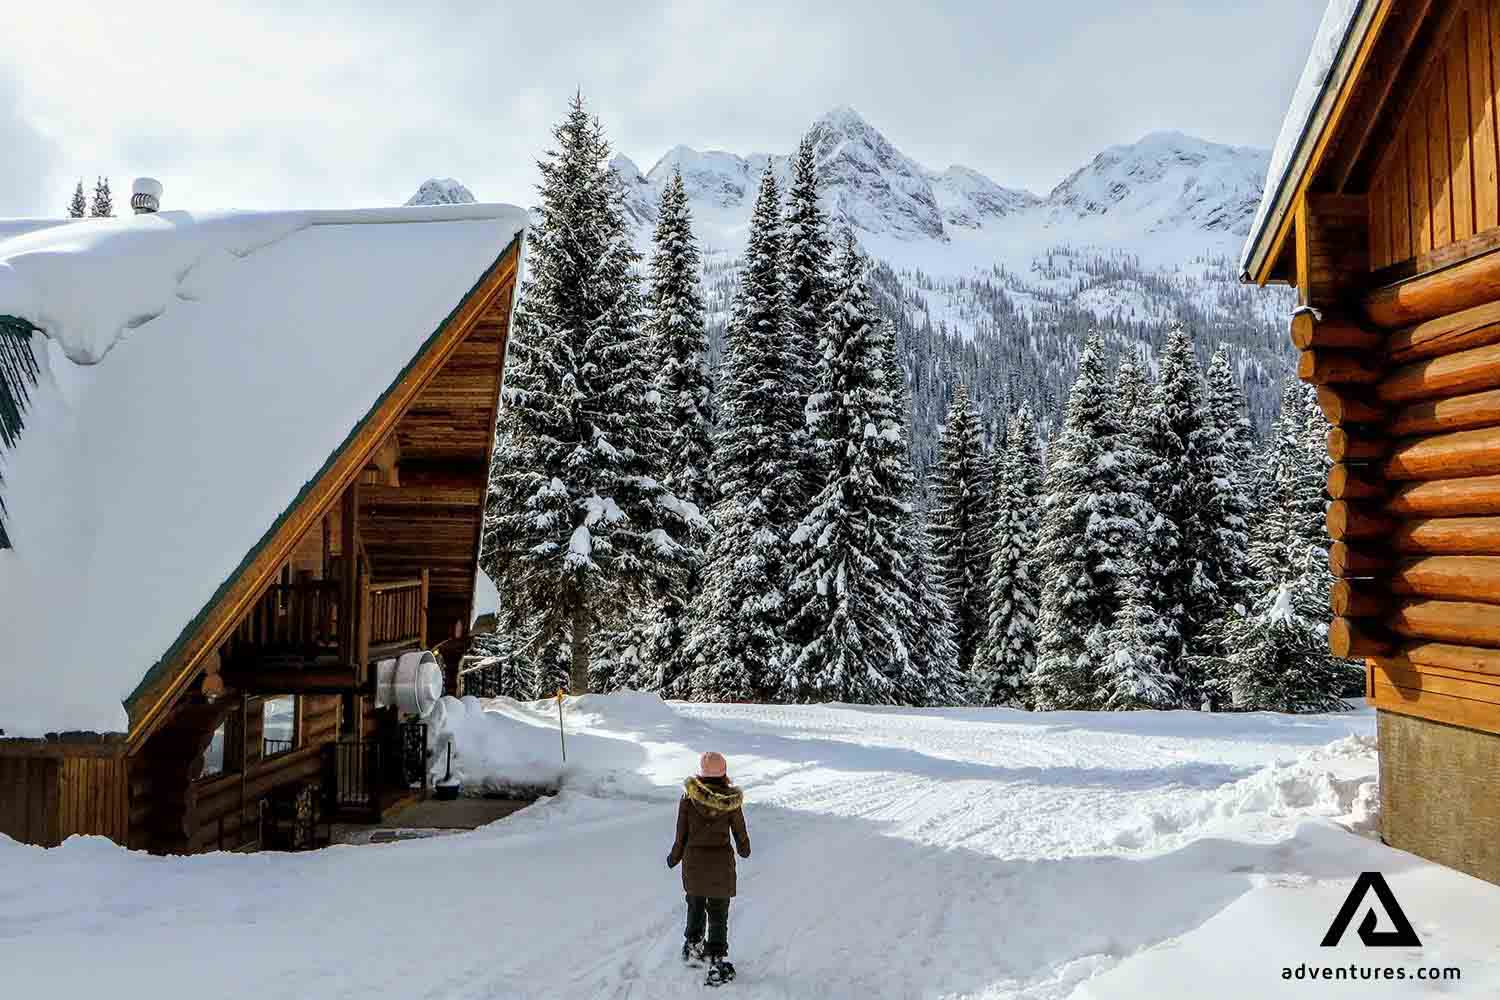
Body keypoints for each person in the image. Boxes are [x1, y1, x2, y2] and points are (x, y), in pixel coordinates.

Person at [668, 751, 751, 985]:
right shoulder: (730, 802)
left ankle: (693, 947)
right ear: (724, 773)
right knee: (718, 913)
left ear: (701, 774)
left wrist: (674, 857)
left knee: (695, 905)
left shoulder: (688, 799)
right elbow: (740, 832)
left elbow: (681, 834)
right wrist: (744, 848)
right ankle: (716, 963)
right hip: (720, 866)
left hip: (694, 864)